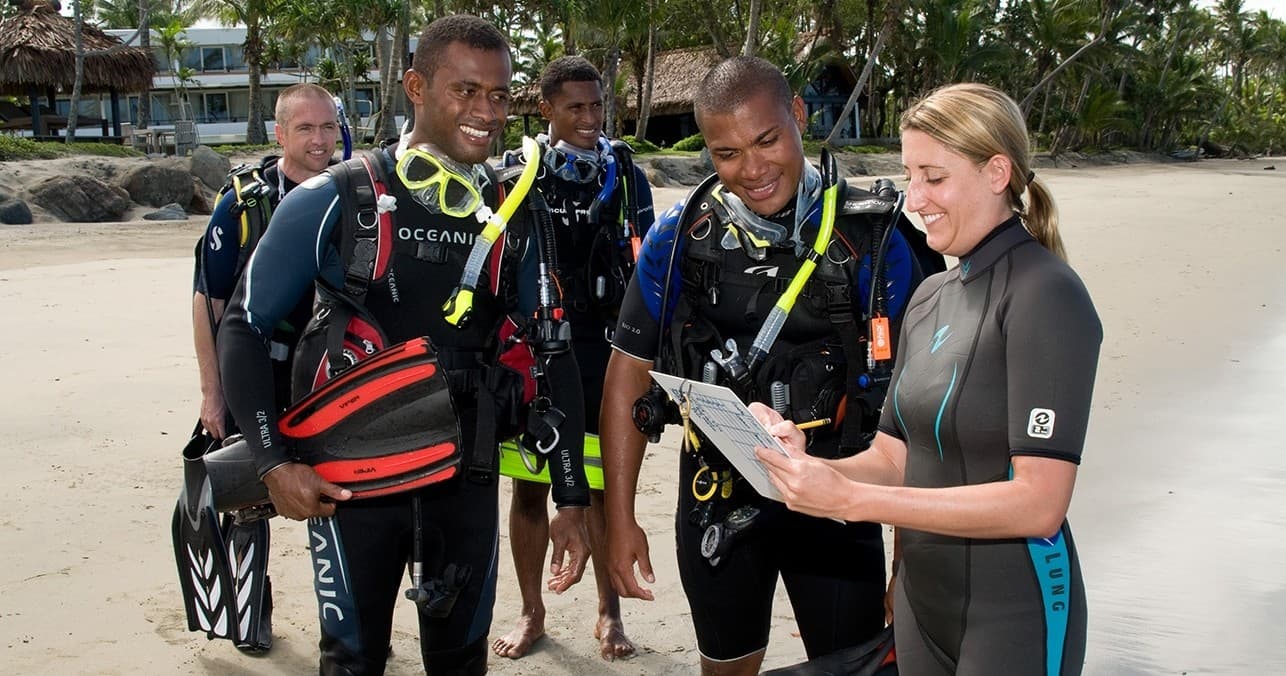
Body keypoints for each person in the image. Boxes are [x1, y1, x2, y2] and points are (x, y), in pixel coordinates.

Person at [215, 15, 591, 675]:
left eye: (499, 95)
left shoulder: (513, 212)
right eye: (465, 90)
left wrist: (572, 500)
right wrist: (273, 465)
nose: (486, 111)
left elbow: (552, 351)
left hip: (465, 479)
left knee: (460, 662)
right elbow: (243, 325)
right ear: (415, 86)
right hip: (350, 488)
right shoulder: (336, 199)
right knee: (352, 662)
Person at [753, 82, 1101, 675]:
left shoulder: (1045, 295)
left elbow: (1039, 503)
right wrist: (811, 468)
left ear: (997, 172)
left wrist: (854, 502)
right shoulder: (929, 297)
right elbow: (894, 459)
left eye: (933, 178)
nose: (914, 200)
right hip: (923, 605)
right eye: (910, 175)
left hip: (1014, 610)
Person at [601, 56, 931, 676]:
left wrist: (906, 561)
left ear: (798, 116)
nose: (751, 170)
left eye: (767, 140)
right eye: (726, 154)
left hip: (841, 496)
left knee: (849, 667)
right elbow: (627, 378)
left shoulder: (874, 241)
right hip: (716, 493)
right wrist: (619, 523)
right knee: (727, 666)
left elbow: (917, 414)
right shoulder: (679, 240)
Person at [492, 56, 654, 661]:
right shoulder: (519, 175)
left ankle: (608, 613)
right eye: (575, 108)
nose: (590, 119)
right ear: (546, 110)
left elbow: (648, 267)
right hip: (535, 351)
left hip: (606, 352)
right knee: (530, 489)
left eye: (596, 107)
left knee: (606, 484)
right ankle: (532, 611)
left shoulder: (626, 175)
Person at [187, 82, 341, 653]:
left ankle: (345, 613)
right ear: (280, 133)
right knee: (249, 497)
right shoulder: (246, 203)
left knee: (340, 496)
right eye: (305, 129)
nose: (320, 139)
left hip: (333, 378)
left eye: (328, 127)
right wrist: (213, 394)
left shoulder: (355, 194)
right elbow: (211, 303)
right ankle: (252, 608)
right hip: (262, 371)